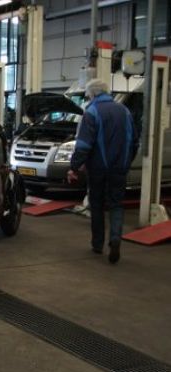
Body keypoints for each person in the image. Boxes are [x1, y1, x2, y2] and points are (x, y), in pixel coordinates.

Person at [67, 79, 139, 263]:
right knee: (116, 205)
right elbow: (134, 141)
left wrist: (74, 167)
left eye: (88, 95)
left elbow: (84, 145)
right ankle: (115, 239)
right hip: (119, 168)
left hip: (98, 169)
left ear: (92, 94)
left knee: (97, 204)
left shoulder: (92, 112)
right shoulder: (124, 111)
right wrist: (126, 162)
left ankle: (97, 244)